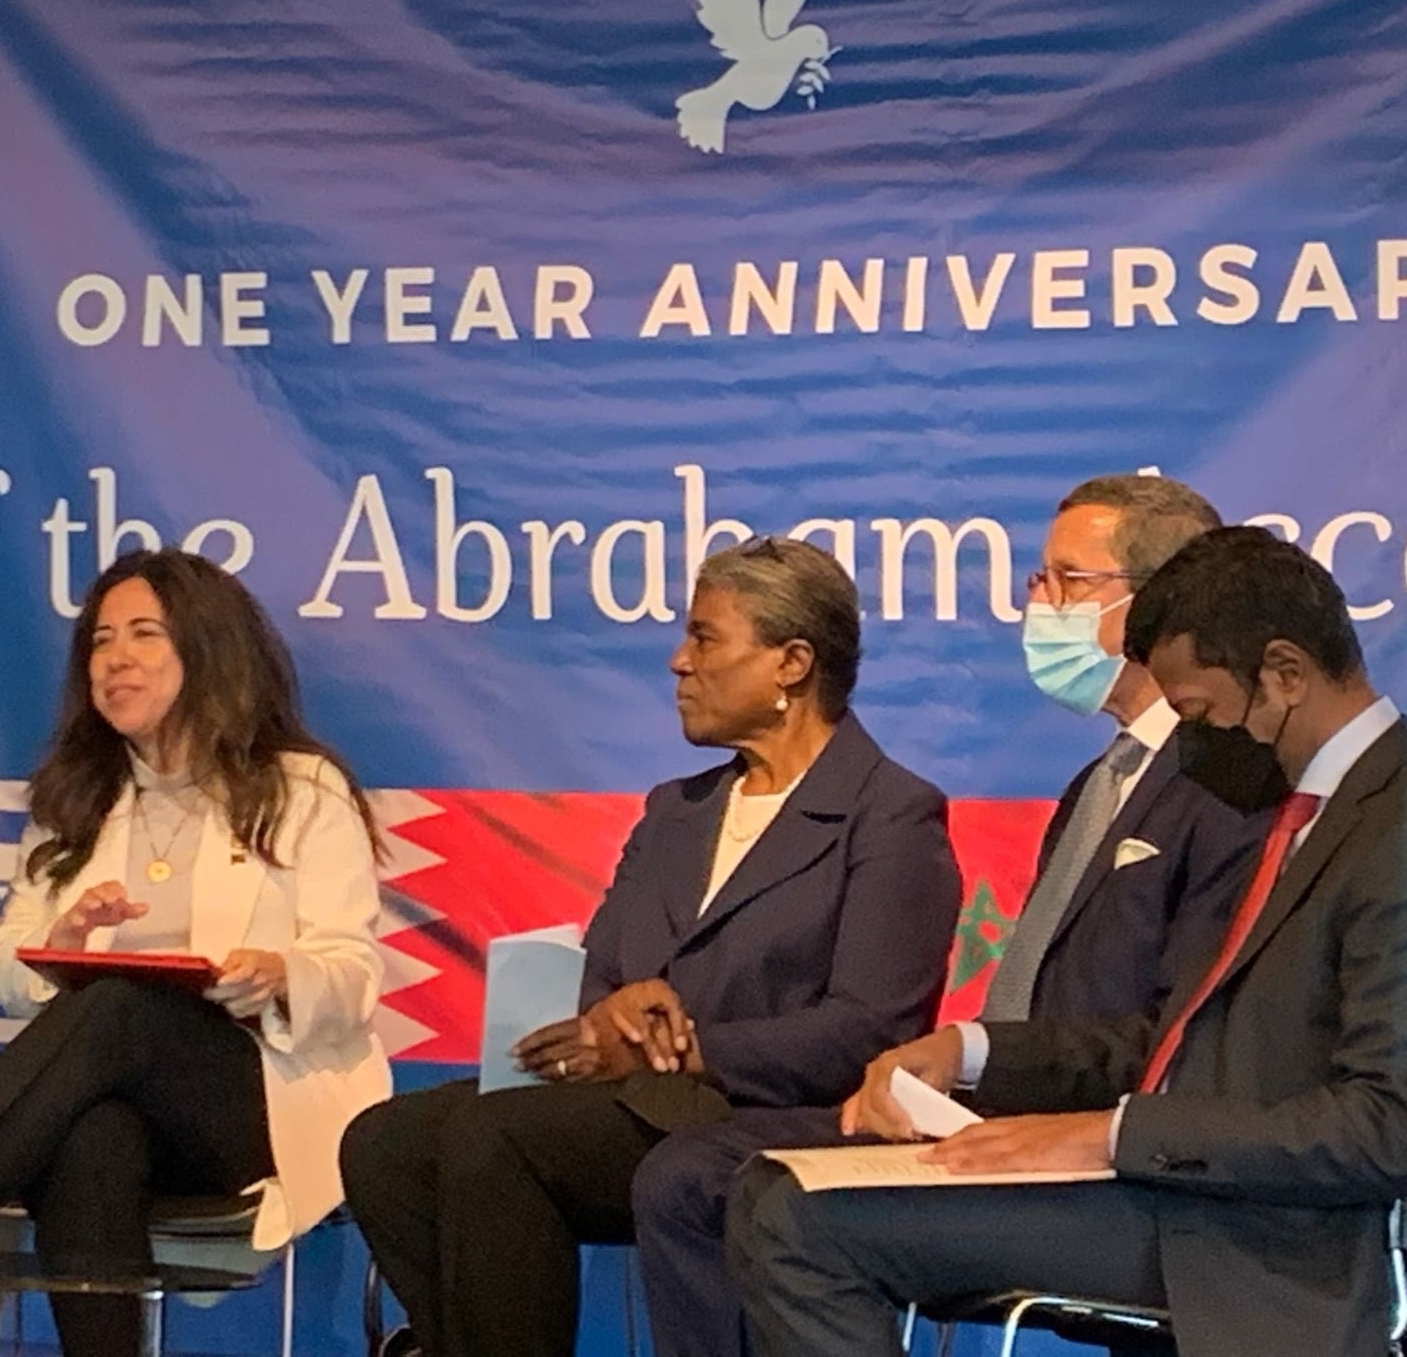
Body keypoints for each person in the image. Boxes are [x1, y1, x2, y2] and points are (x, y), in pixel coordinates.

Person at [730, 527, 1407, 1357]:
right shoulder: (1298, 816)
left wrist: (1111, 1134)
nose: (1190, 747)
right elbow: (1170, 1041)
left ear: (1286, 675)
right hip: (1177, 1198)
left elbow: (1386, 1130)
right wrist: (970, 1053)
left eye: (1199, 713)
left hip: (1265, 1248)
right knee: (769, 1187)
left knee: (799, 1220)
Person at [630, 474, 1260, 1357]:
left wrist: (976, 1059)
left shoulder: (1221, 790)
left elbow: (1179, 1037)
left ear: (1158, 603)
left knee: (755, 1196)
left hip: (1103, 1156)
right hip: (987, 1109)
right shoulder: (1100, 784)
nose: (1038, 605)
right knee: (694, 1176)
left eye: (1066, 583)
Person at [341, 536, 961, 1357]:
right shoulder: (677, 809)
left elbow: (868, 1031)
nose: (679, 662)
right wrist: (609, 1013)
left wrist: (690, 1049)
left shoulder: (890, 815)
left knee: (495, 1140)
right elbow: (605, 967)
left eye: (705, 638)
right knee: (385, 1141)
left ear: (791, 663)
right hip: (637, 1105)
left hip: (772, 1110)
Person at [0, 549, 390, 1357]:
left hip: (261, 1097)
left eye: (144, 636)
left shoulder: (299, 789)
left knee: (115, 1011)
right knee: (88, 1134)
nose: (115, 661)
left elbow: (354, 970)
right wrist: (54, 945)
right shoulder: (81, 799)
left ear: (208, 649)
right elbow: (1, 963)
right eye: (101, 642)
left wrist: (282, 976)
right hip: (125, 1096)